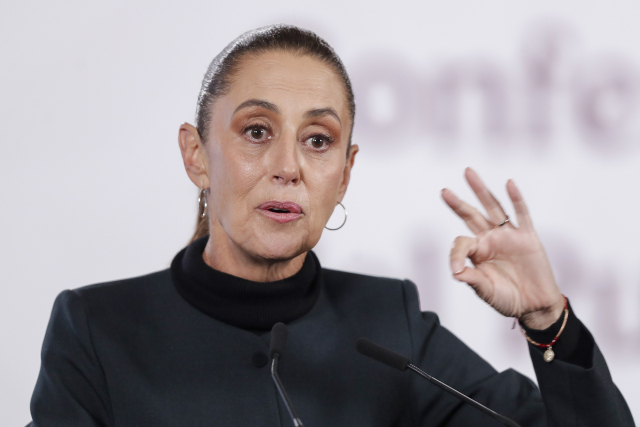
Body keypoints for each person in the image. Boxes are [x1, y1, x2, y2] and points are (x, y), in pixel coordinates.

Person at [28, 25, 634, 427]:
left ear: (344, 174)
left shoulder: (389, 325)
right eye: (257, 131)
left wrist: (547, 320)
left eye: (318, 140)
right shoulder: (96, 330)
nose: (288, 166)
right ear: (196, 156)